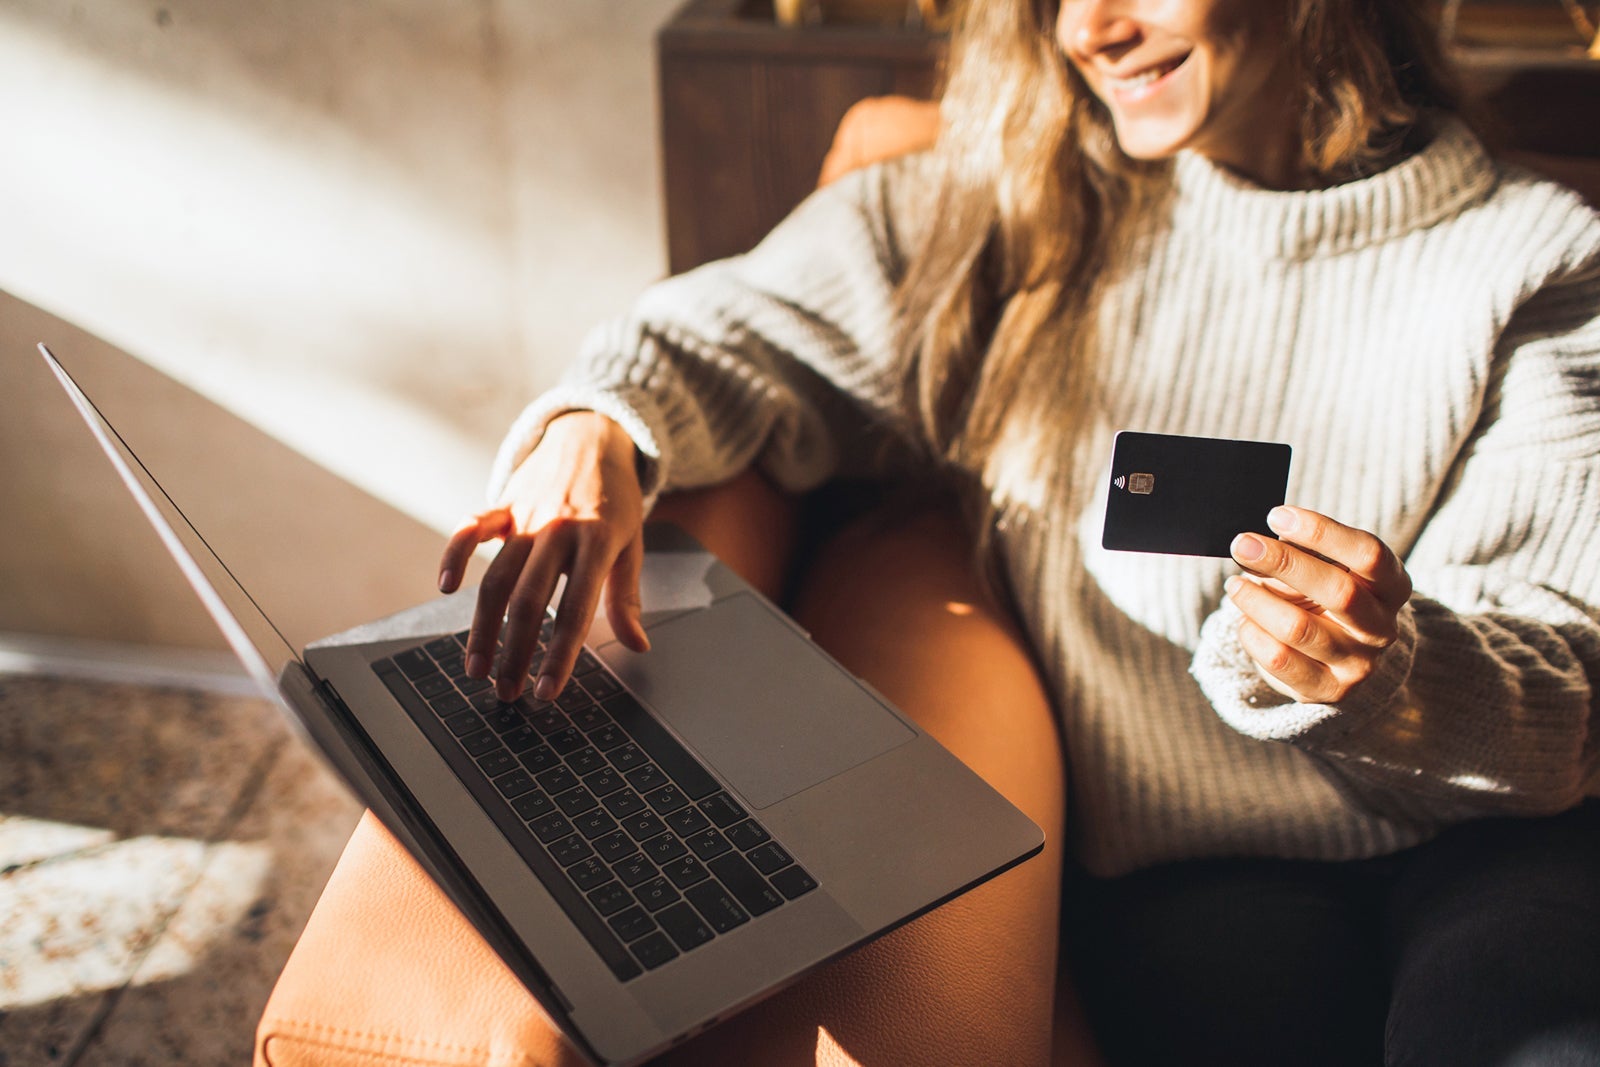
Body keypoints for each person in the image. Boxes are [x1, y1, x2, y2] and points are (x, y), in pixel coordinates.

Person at [434, 0, 1600, 1063]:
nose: (1089, 28)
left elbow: (1568, 689)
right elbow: (727, 325)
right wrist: (594, 426)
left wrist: (1388, 671)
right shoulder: (1010, 213)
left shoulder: (1537, 258)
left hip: (1497, 839)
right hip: (1196, 867)